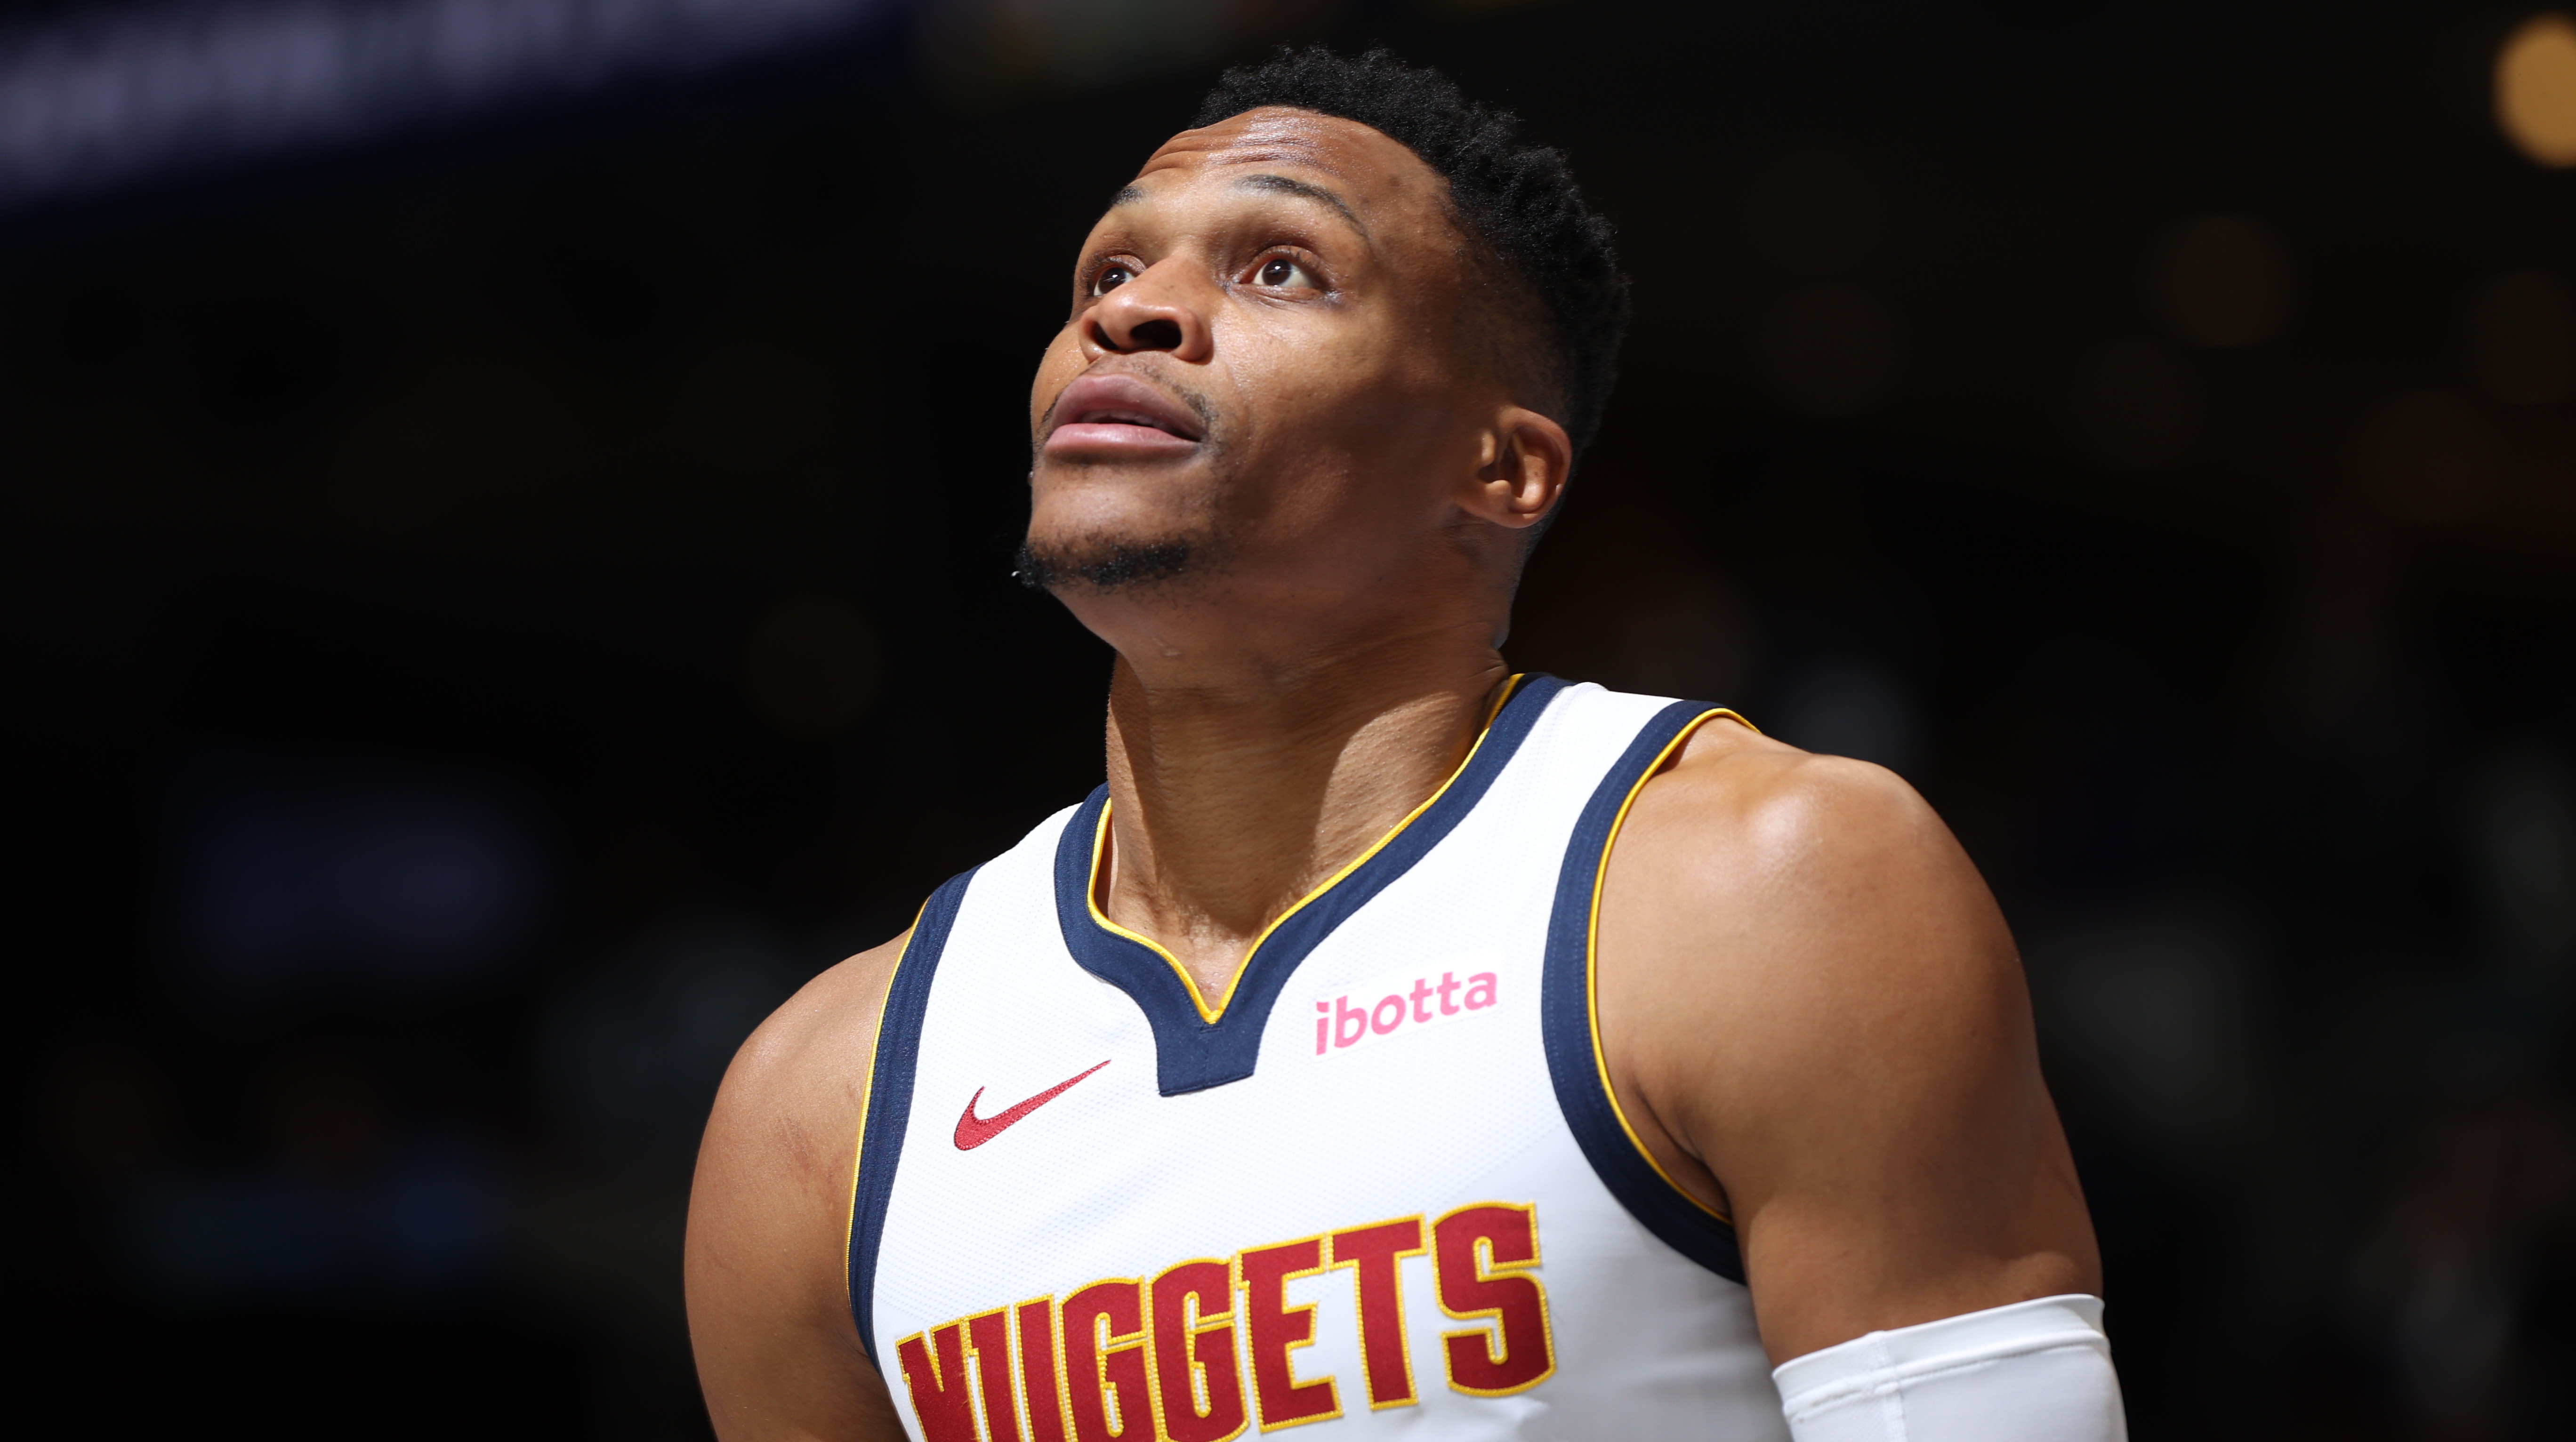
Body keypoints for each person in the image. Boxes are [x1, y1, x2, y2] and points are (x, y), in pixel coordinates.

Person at [685, 47, 2122, 1442]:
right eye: (1108, 275)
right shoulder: (822, 1103)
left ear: (1498, 466)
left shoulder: (1769, 889)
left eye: (1278, 270)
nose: (1136, 315)